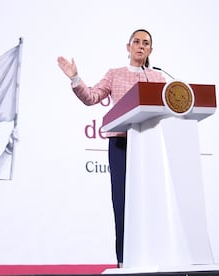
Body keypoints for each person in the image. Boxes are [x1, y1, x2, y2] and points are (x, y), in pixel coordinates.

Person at [57, 29, 165, 267]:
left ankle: (155, 257)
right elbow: (91, 97)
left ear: (150, 50)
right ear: (128, 47)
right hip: (121, 144)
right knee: (122, 203)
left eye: (145, 43)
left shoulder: (158, 78)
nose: (140, 46)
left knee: (152, 202)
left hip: (149, 146)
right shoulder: (114, 74)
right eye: (136, 42)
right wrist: (75, 78)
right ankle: (124, 260)